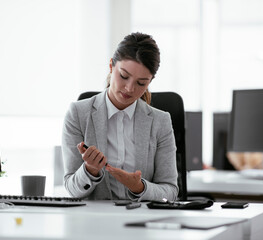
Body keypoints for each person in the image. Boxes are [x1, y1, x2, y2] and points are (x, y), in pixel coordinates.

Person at [62, 32, 178, 201]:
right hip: (95, 222)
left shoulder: (160, 122)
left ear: (150, 81)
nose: (130, 88)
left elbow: (171, 191)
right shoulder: (78, 114)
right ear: (111, 66)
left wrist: (139, 187)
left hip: (142, 222)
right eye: (124, 76)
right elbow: (72, 189)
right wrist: (89, 170)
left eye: (141, 83)